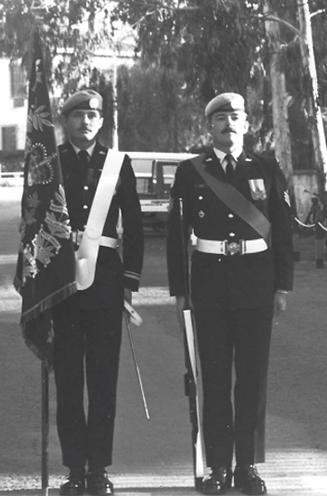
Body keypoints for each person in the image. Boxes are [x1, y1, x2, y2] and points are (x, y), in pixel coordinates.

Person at [166, 93, 294, 496]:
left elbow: (284, 231)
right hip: (209, 286)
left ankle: (248, 467)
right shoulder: (191, 172)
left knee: (252, 379)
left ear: (247, 123)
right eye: (220, 118)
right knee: (216, 379)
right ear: (210, 126)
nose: (228, 124)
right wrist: (179, 292)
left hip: (256, 285)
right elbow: (174, 236)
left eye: (235, 117)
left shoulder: (268, 168)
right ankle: (218, 465)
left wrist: (282, 285)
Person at [53, 89, 144, 496]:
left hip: (105, 282)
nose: (86, 121)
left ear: (101, 121)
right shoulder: (48, 162)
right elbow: (31, 222)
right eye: (78, 115)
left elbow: (136, 227)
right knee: (70, 382)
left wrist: (129, 283)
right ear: (65, 120)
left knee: (103, 381)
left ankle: (98, 471)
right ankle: (74, 469)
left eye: (93, 115)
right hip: (62, 286)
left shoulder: (117, 164)